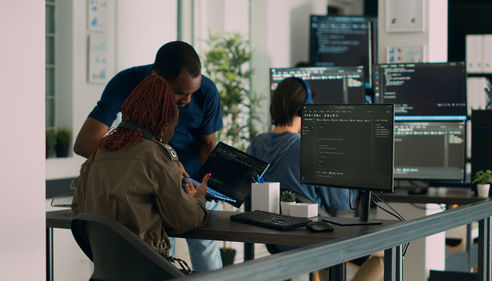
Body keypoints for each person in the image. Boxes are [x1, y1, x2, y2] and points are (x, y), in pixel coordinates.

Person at [73, 41, 223, 271]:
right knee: (163, 254)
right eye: (180, 94)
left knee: (194, 249)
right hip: (152, 252)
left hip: (108, 270)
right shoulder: (155, 156)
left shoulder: (93, 165)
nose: (188, 101)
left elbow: (208, 144)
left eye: (193, 92)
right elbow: (185, 218)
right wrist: (154, 161)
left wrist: (204, 189)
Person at [247, 77, 383, 281]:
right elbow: (339, 201)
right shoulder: (309, 145)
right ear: (305, 109)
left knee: (329, 265)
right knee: (383, 255)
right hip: (312, 236)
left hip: (273, 238)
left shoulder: (257, 143)